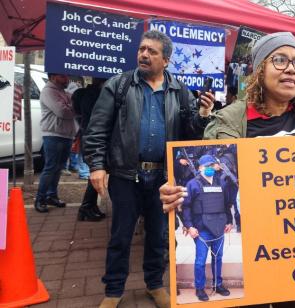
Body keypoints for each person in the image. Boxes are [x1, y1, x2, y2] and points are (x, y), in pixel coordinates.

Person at [160, 2, 295, 307]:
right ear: (258, 70)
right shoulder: (229, 122)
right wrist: (176, 194)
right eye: (279, 60)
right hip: (260, 250)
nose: (291, 68)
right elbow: (207, 172)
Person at [83, 30, 215, 308]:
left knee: (159, 236)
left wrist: (203, 114)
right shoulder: (118, 85)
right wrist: (97, 165)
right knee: (120, 235)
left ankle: (155, 285)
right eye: (142, 49)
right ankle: (114, 290)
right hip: (124, 175)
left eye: (152, 51)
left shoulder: (180, 91)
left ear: (165, 60)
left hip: (163, 178)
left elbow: (192, 133)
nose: (144, 54)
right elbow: (96, 128)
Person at [183, 154, 233, 302]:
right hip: (202, 229)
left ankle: (218, 285)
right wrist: (189, 226)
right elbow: (186, 207)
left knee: (218, 258)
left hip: (219, 227)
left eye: (212, 166)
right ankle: (200, 288)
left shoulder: (221, 183)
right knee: (200, 261)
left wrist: (229, 221)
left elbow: (226, 204)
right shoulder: (192, 184)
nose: (210, 169)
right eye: (207, 166)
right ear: (200, 168)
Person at [34, 73, 76, 213]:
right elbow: (63, 112)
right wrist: (72, 107)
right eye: (63, 76)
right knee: (50, 167)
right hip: (54, 135)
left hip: (66, 135)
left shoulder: (63, 92)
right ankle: (40, 199)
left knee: (59, 167)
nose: (67, 79)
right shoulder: (48, 91)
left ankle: (52, 195)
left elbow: (71, 107)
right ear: (53, 77)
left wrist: (70, 106)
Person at [73, 78, 107, 221]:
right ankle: (86, 207)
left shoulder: (82, 93)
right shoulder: (97, 95)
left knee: (95, 172)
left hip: (87, 134)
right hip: (95, 137)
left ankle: (90, 206)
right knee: (96, 172)